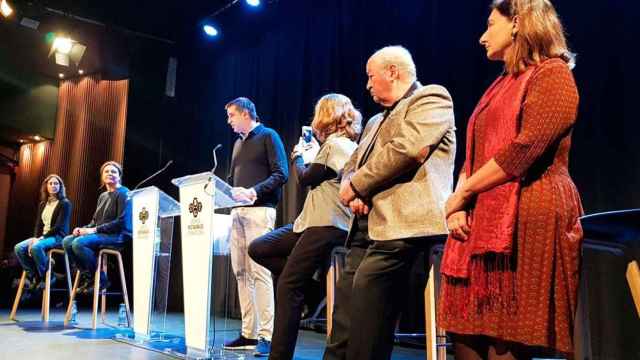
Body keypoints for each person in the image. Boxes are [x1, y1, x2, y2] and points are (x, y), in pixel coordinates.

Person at [438, 1, 583, 358]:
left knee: (505, 339)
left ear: (517, 23)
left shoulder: (552, 74)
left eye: (490, 25)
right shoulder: (501, 83)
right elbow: (475, 153)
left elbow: (526, 148)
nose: (481, 37)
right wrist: (459, 204)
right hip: (481, 218)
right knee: (466, 335)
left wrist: (466, 192)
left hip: (527, 214)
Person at [324, 45, 456, 360]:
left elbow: (408, 150)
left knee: (367, 327)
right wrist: (351, 186)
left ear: (392, 72)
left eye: (371, 77)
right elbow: (350, 166)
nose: (367, 85)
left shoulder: (431, 98)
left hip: (403, 227)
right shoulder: (372, 122)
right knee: (342, 324)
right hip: (365, 229)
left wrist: (357, 185)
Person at [248, 93, 361, 360]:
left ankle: (279, 355)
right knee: (259, 248)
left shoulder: (338, 145)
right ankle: (314, 292)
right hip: (309, 221)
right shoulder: (333, 146)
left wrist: (299, 156)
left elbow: (306, 178)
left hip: (328, 223)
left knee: (288, 285)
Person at [224, 97, 289, 356]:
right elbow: (231, 180)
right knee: (241, 273)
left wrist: (253, 191)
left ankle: (266, 335)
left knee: (259, 273)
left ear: (246, 113)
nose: (228, 121)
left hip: (260, 211)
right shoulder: (238, 143)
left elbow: (281, 173)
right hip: (236, 213)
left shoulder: (268, 136)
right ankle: (248, 332)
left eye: (231, 115)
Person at [62, 161, 131, 293]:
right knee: (67, 241)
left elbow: (121, 222)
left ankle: (101, 279)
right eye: (106, 171)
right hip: (101, 234)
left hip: (118, 236)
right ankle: (88, 276)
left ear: (119, 176)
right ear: (102, 176)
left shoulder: (124, 193)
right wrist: (82, 229)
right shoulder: (103, 196)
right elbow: (95, 221)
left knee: (78, 244)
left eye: (113, 171)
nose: (110, 173)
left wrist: (93, 230)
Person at [14, 174, 72, 296]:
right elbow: (38, 225)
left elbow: (59, 227)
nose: (53, 186)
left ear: (60, 186)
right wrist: (35, 238)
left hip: (58, 237)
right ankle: (36, 276)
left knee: (36, 247)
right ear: (46, 186)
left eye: (56, 183)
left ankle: (49, 277)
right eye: (50, 183)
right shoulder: (42, 204)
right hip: (43, 237)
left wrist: (40, 239)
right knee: (19, 248)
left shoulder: (65, 203)